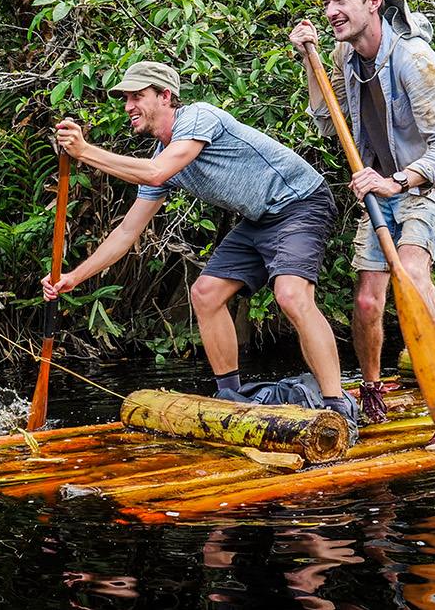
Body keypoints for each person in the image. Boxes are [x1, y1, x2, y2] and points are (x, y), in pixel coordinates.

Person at [39, 61, 356, 424]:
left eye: (137, 96)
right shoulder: (160, 159)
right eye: (125, 98)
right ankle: (231, 397)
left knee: (290, 295)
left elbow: (158, 172)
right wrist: (73, 278)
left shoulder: (198, 118)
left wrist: (84, 152)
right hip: (259, 219)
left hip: (300, 203)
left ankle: (336, 405)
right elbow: (127, 233)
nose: (128, 106)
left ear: (165, 96)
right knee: (205, 293)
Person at [291, 0, 435, 449]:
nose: (332, 10)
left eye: (343, 0)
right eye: (328, 1)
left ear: (372, 2)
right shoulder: (341, 56)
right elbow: (324, 116)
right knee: (366, 299)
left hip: (424, 183)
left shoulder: (414, 59)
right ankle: (374, 390)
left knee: (415, 274)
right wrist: (310, 60)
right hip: (377, 186)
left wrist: (396, 182)